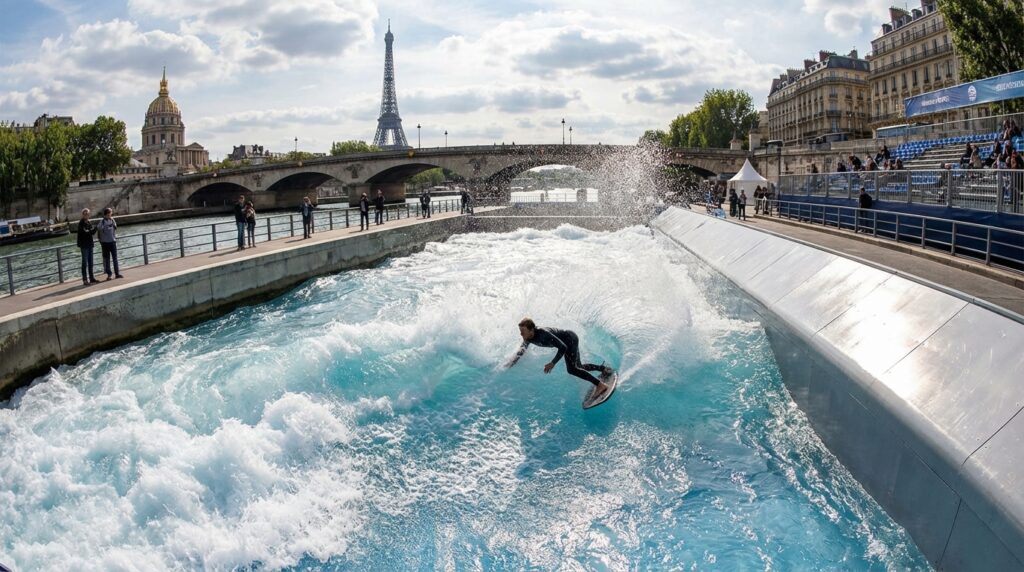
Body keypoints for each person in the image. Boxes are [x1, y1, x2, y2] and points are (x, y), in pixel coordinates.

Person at [506, 318, 613, 401]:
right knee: (578, 367)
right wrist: (510, 364)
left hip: (569, 339)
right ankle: (603, 369)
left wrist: (553, 363)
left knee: (572, 369)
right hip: (569, 339)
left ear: (531, 330)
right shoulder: (528, 338)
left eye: (523, 331)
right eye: (520, 331)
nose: (521, 334)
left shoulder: (543, 333)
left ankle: (600, 385)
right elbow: (521, 351)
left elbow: (563, 347)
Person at [97, 208, 123, 280]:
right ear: (106, 214)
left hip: (112, 242)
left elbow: (115, 228)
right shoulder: (102, 222)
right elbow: (98, 230)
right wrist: (100, 241)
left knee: (115, 258)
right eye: (109, 213)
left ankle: (117, 273)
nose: (110, 215)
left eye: (110, 213)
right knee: (107, 259)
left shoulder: (112, 220)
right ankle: (109, 275)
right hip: (105, 243)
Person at [76, 208, 99, 286]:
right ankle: (85, 280)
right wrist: (93, 230)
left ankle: (92, 278)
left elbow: (91, 232)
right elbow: (85, 232)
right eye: (85, 214)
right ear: (83, 215)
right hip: (84, 245)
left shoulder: (89, 222)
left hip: (90, 244)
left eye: (88, 214)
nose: (86, 215)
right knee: (84, 263)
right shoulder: (81, 223)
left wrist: (95, 228)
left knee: (91, 262)